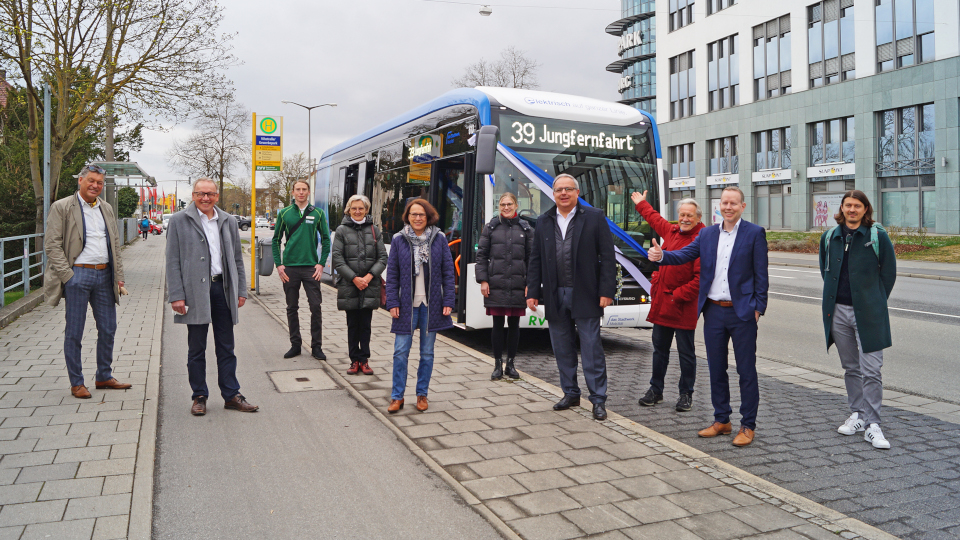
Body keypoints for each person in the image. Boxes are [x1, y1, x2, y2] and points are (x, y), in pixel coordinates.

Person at [647, 186, 768, 446]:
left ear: (742, 206)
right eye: (724, 202)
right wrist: (662, 256)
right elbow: (684, 255)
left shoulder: (754, 233)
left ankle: (748, 425)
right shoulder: (708, 234)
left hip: (742, 313)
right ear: (718, 206)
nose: (728, 207)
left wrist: (758, 308)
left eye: (733, 203)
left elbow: (761, 275)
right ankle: (722, 419)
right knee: (716, 369)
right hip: (713, 311)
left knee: (746, 370)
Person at [526, 174, 616, 421]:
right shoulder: (543, 221)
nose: (563, 193)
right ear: (552, 194)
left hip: (586, 294)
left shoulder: (595, 217)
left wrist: (607, 291)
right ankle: (570, 393)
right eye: (558, 190)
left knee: (591, 349)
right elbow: (535, 260)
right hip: (555, 295)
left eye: (568, 189)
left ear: (577, 192)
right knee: (562, 349)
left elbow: (608, 257)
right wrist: (533, 292)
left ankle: (598, 400)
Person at [166, 178, 258, 416]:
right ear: (193, 195)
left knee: (226, 346)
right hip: (194, 291)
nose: (205, 198)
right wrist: (176, 295)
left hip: (222, 289)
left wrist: (240, 290)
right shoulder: (178, 220)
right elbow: (172, 260)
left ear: (217, 196)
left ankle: (231, 394)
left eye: (210, 194)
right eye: (200, 194)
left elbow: (237, 258)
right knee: (196, 348)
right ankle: (199, 396)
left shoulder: (227, 220)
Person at [43, 164, 133, 399]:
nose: (95, 186)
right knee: (75, 331)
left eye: (99, 183)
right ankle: (77, 382)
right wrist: (68, 276)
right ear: (80, 180)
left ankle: (103, 375)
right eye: (91, 181)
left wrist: (119, 276)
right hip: (78, 275)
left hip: (105, 275)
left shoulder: (106, 208)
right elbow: (52, 244)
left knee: (108, 328)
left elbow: (115, 244)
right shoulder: (62, 207)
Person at [819, 190, 896, 449]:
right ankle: (858, 415)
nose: (852, 210)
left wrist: (874, 301)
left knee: (872, 369)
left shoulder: (877, 236)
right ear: (842, 208)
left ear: (865, 209)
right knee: (851, 368)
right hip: (838, 311)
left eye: (857, 206)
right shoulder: (830, 237)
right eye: (848, 205)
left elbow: (889, 274)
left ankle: (873, 424)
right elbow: (825, 270)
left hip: (869, 313)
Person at [630, 190, 704, 412]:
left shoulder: (702, 240)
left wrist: (677, 296)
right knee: (659, 350)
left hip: (682, 307)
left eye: (690, 215)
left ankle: (686, 394)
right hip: (663, 305)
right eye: (682, 214)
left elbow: (701, 279)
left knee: (686, 353)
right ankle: (656, 390)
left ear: (698, 218)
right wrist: (642, 204)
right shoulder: (671, 231)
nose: (685, 219)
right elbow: (655, 218)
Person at [385, 199, 455, 414]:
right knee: (400, 352)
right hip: (406, 305)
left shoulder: (439, 239)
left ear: (428, 217)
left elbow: (448, 272)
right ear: (407, 216)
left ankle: (422, 394)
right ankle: (397, 396)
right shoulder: (399, 240)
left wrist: (448, 301)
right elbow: (392, 274)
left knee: (426, 353)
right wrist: (392, 302)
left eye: (421, 215)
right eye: (413, 214)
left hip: (431, 304)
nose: (417, 218)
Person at [476, 192, 533, 380]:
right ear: (499, 207)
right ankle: (497, 364)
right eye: (502, 204)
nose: (506, 207)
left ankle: (511, 364)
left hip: (518, 283)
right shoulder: (491, 227)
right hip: (496, 283)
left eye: (509, 204)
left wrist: (530, 284)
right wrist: (483, 280)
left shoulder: (526, 228)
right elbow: (482, 256)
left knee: (515, 325)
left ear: (516, 206)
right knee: (497, 324)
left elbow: (532, 259)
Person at [272, 180, 331, 360]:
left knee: (315, 306)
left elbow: (327, 240)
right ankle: (295, 345)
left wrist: (321, 263)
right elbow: (275, 240)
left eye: (304, 189)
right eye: (298, 189)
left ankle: (316, 347)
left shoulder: (318, 213)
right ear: (293, 192)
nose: (301, 192)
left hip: (311, 268)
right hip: (289, 268)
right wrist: (279, 264)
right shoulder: (284, 213)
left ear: (309, 192)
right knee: (292, 307)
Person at [331, 195, 388, 376]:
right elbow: (337, 259)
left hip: (369, 285)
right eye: (354, 208)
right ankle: (354, 360)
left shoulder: (374, 229)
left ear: (366, 210)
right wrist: (355, 278)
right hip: (350, 284)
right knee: (352, 324)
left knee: (366, 324)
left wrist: (369, 277)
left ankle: (365, 360)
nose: (357, 211)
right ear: (348, 210)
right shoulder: (341, 230)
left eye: (361, 208)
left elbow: (383, 258)